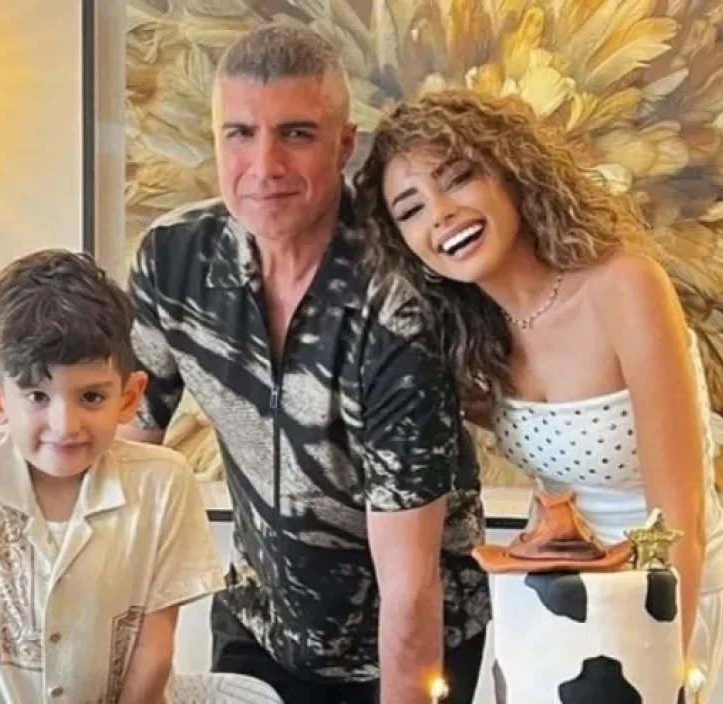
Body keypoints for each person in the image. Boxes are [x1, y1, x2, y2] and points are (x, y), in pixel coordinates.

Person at [119, 22, 490, 704]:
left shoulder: (398, 302)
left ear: (344, 144)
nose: (265, 167)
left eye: (296, 133)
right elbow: (121, 462)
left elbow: (410, 584)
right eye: (240, 133)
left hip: (406, 643)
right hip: (257, 626)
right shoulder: (173, 261)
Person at [354, 89, 723, 699]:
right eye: (412, 208)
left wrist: (663, 670)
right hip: (549, 592)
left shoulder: (623, 284)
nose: (441, 214)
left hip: (660, 587)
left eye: (458, 178)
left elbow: (680, 519)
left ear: (511, 173)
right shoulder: (467, 337)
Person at [0, 249, 226, 703]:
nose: (65, 425)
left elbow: (154, 644)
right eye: (37, 396)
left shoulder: (163, 483)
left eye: (92, 397)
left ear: (129, 397)